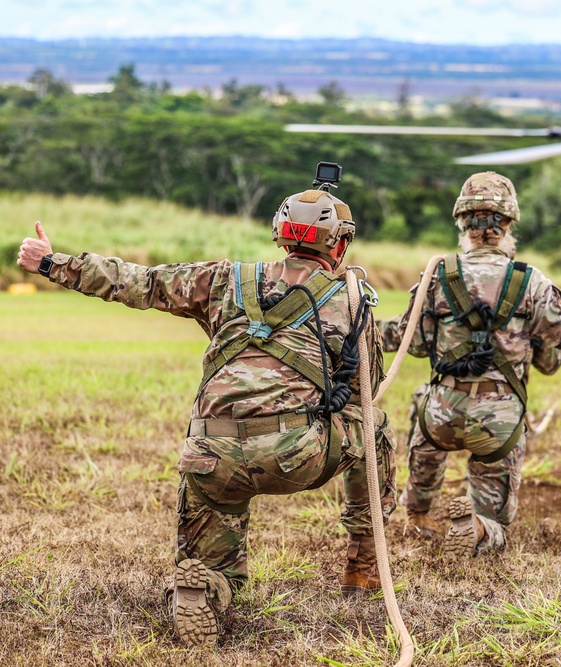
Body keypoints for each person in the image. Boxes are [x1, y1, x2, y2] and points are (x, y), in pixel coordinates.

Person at [16, 183, 397, 648]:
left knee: (215, 553)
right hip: (296, 454)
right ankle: (363, 562)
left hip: (211, 455)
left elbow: (141, 282)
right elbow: (366, 389)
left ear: (280, 233)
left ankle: (205, 585)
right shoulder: (354, 299)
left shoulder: (225, 278)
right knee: (374, 425)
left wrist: (52, 263)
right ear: (339, 244)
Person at [379, 171, 561, 558]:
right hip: (497, 421)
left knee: (424, 403)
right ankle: (482, 526)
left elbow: (409, 343)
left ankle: (417, 517)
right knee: (495, 514)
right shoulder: (530, 281)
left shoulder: (437, 276)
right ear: (507, 224)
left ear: (462, 224)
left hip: (442, 415)